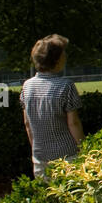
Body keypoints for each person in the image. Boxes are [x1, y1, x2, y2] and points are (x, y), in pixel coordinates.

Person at [20, 34, 83, 179]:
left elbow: (27, 123)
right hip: (67, 155)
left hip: (40, 156)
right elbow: (73, 123)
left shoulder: (27, 86)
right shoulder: (66, 86)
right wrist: (84, 148)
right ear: (57, 59)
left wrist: (36, 149)